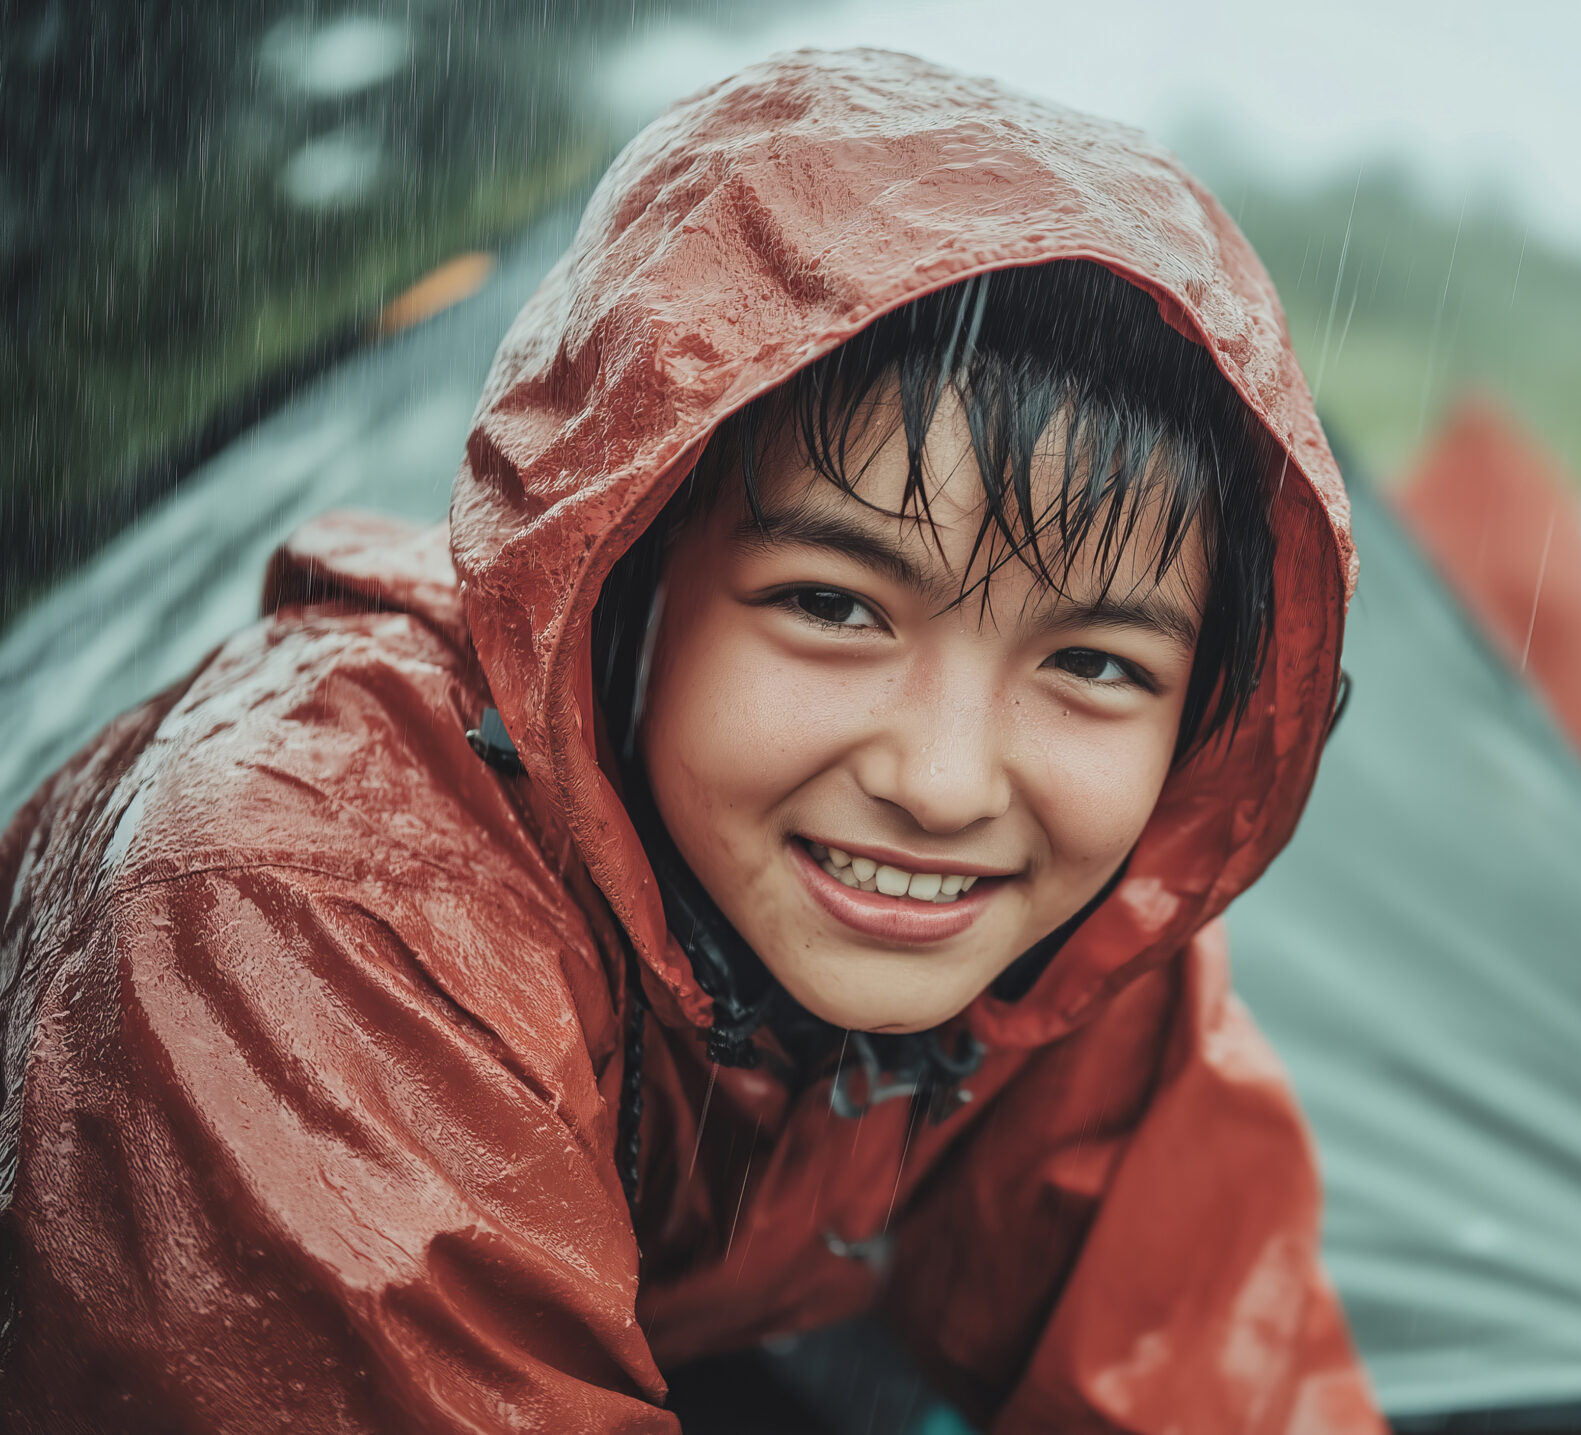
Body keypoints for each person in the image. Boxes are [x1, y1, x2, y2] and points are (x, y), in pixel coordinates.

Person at [0, 51, 1382, 1433]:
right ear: (622, 582)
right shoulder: (310, 898)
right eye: (832, 604)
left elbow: (1226, 1383)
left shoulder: (1075, 948)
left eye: (1092, 662)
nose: (948, 783)